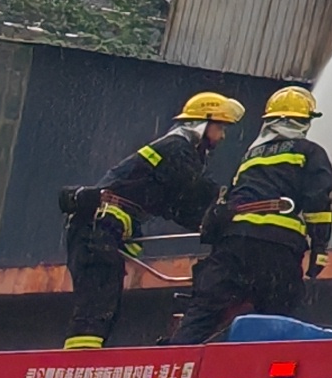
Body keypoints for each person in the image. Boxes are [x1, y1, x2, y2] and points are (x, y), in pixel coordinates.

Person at [55, 93, 241, 346]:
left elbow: (178, 208)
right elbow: (198, 191)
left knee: (103, 308)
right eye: (219, 128)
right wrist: (234, 204)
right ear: (202, 124)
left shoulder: (172, 154)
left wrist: (209, 225)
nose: (222, 136)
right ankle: (79, 366)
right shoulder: (176, 148)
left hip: (98, 230)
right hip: (97, 229)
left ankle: (85, 360)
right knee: (96, 307)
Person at [173, 86, 332, 346]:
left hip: (234, 245)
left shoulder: (249, 156)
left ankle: (175, 363)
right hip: (276, 248)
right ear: (304, 122)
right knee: (285, 319)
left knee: (203, 313)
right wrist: (320, 249)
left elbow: (230, 199)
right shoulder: (309, 152)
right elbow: (318, 202)